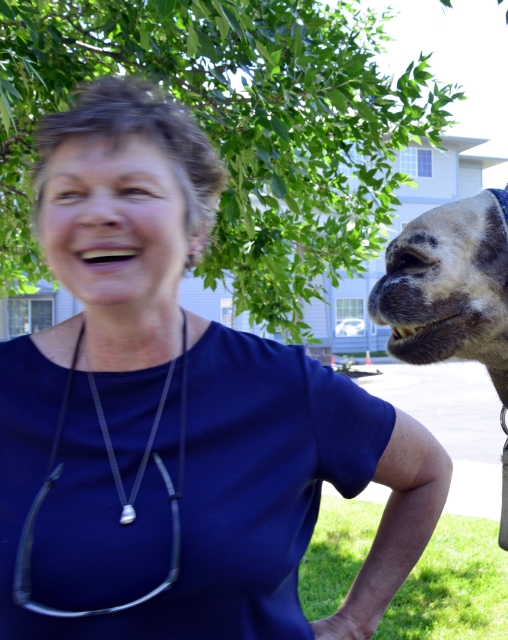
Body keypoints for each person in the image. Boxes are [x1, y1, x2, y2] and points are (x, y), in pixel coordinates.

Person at [0, 76, 452, 640]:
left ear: (196, 230)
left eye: (134, 189)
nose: (98, 213)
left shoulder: (285, 388)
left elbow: (427, 472)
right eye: (69, 194)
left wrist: (356, 621)